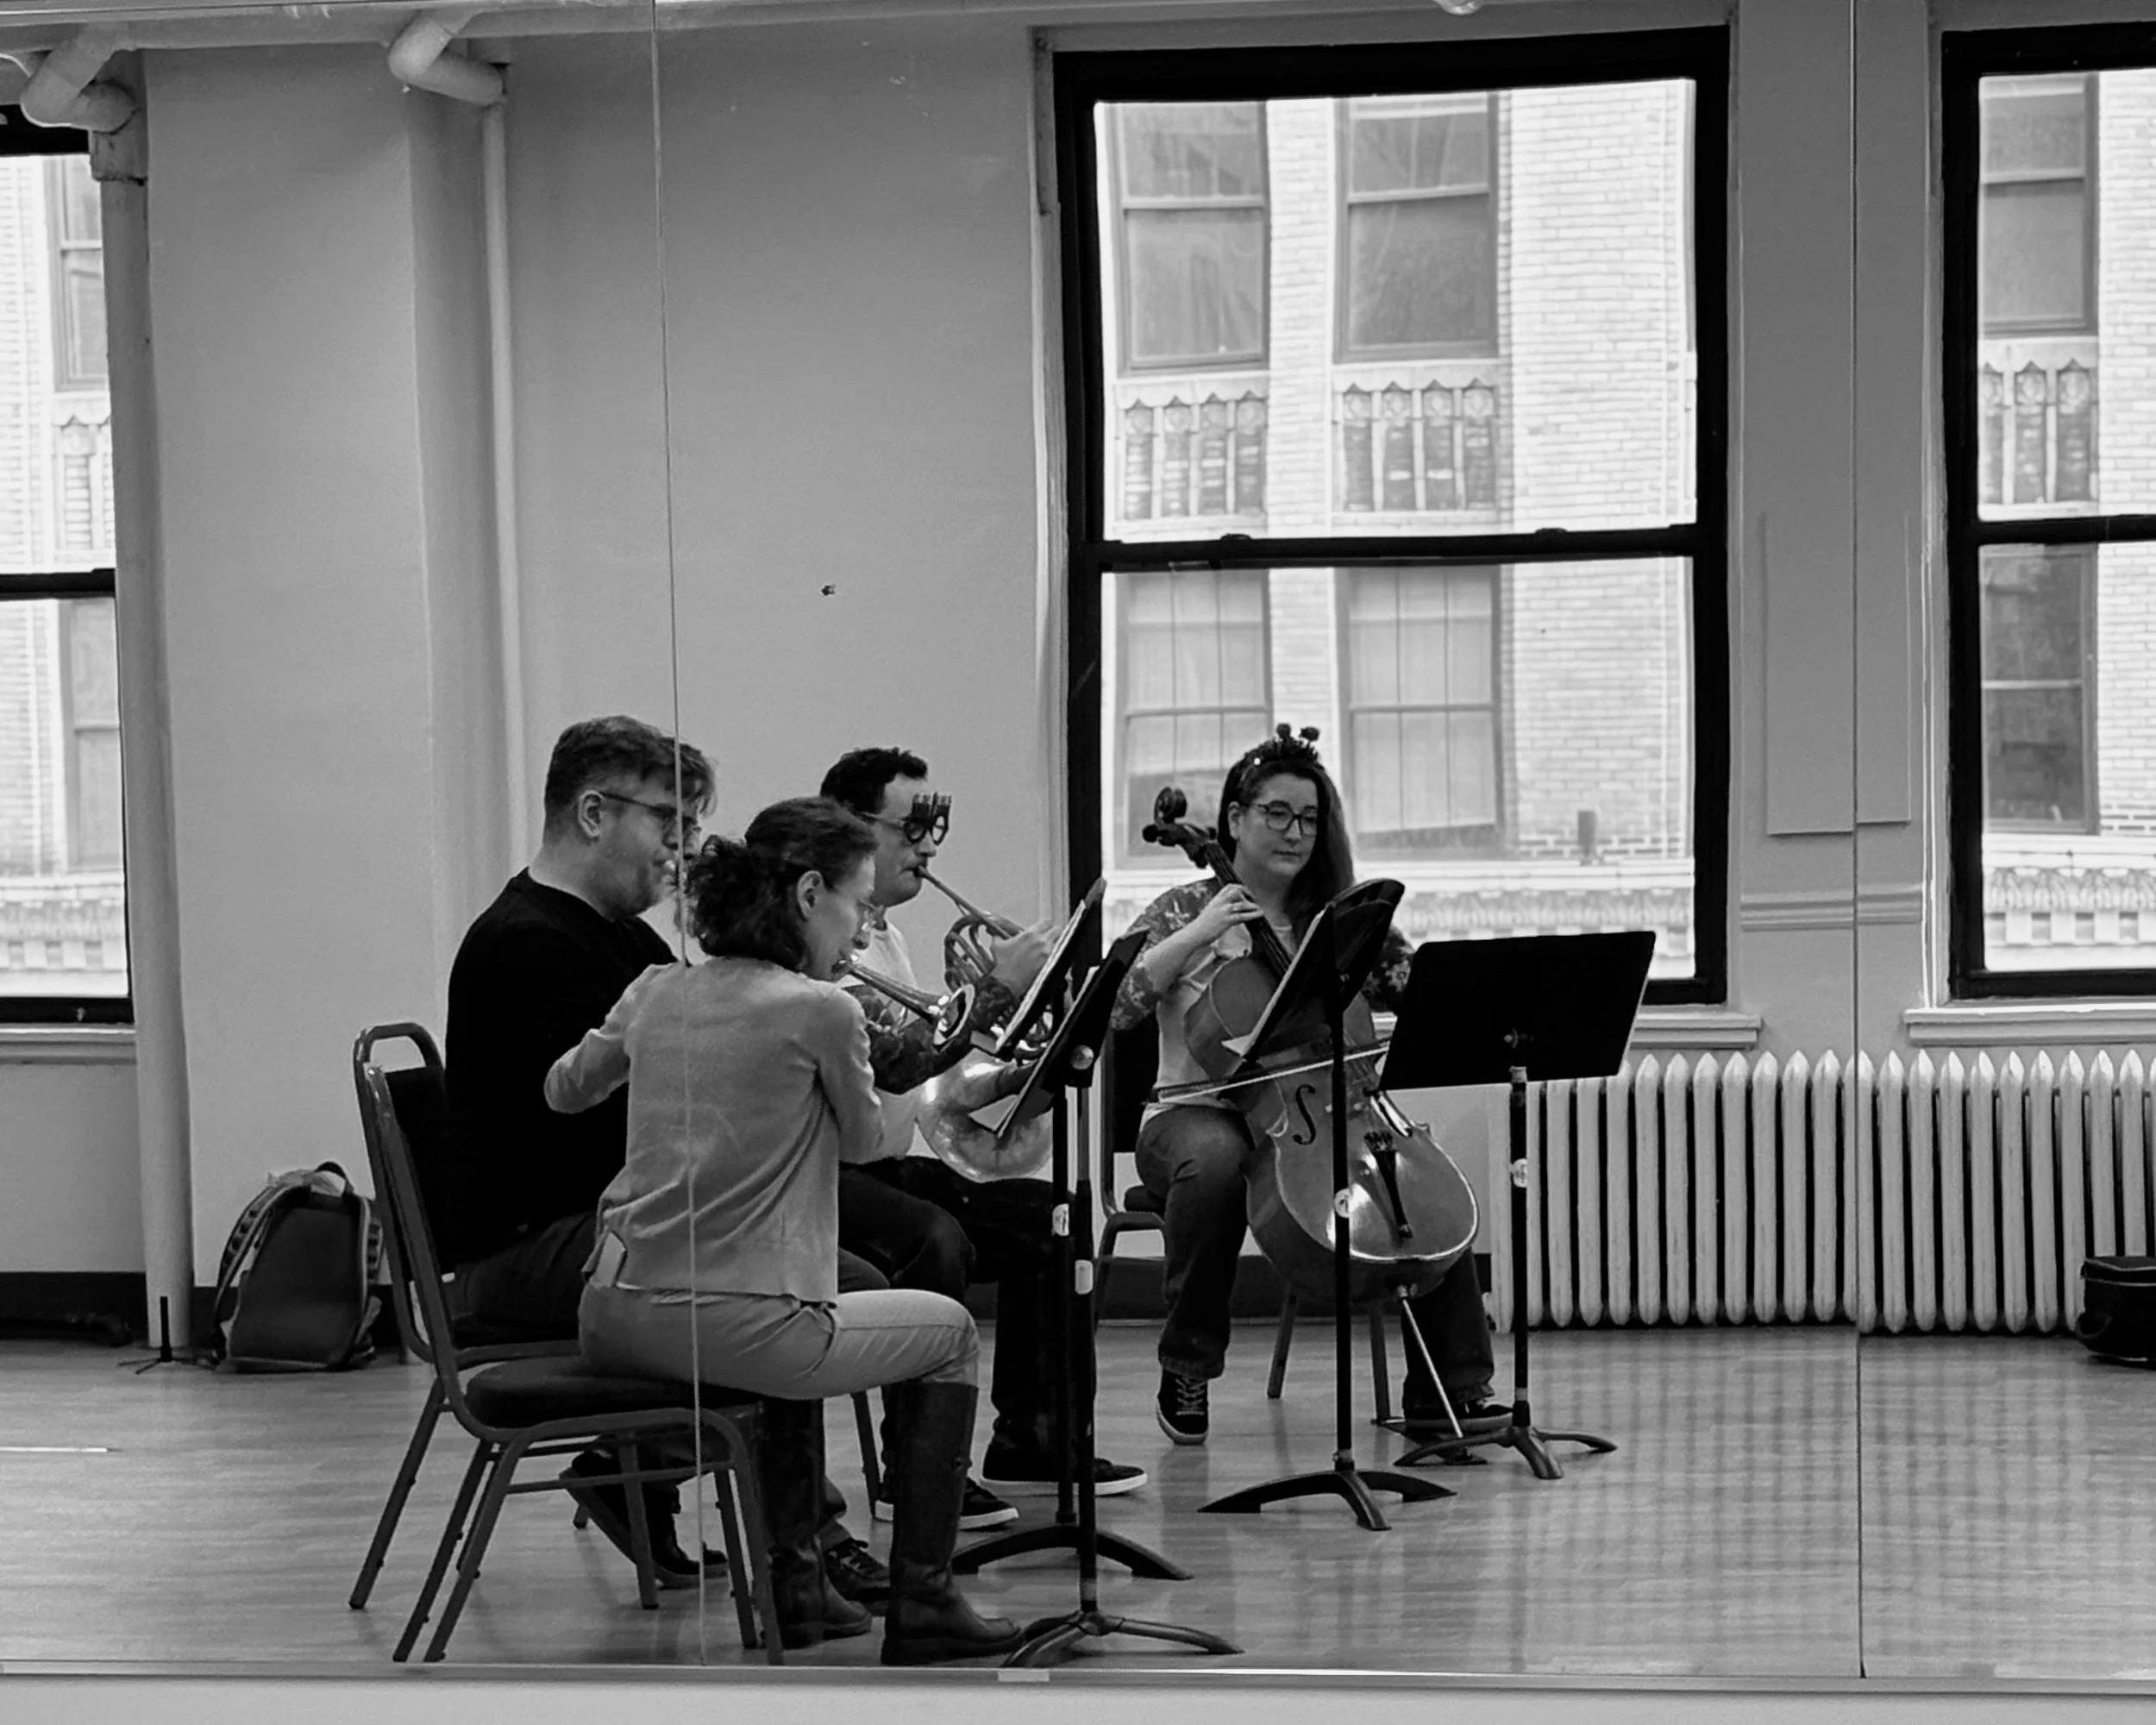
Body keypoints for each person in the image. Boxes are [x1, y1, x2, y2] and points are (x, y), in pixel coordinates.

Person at [554, 798, 1024, 1664]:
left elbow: (564, 1087)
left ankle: (799, 1582)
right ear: (810, 894)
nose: (858, 926)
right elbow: (865, 1142)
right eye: (855, 902)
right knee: (948, 1334)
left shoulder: (655, 987)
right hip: (729, 1322)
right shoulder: (822, 1010)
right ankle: (922, 1599)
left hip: (612, 1307)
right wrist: (908, 1082)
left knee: (823, 1288)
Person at [434, 715, 887, 1601]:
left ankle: (672, 1476)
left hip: (610, 1227)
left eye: (691, 829)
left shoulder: (623, 937)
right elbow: (613, 1126)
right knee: (815, 1282)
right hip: (526, 1248)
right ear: (594, 812)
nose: (683, 852)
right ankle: (809, 1546)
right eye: (668, 824)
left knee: (835, 1262)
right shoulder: (529, 942)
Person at [1109, 724, 1508, 1446]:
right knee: (1218, 1163)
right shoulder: (1180, 909)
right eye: (1277, 814)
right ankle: (1188, 1362)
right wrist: (1200, 932)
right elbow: (1118, 1004)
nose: (1295, 833)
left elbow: (1414, 986)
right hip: (1191, 1113)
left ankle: (1452, 1390)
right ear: (1234, 819)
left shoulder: (1338, 918)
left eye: (1309, 819)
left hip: (1318, 1110)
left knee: (1414, 1178)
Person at [820, 747, 1146, 1515]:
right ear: (853, 829)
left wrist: (1020, 1069)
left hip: (884, 1163)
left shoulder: (887, 932)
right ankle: (917, 1475)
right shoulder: (829, 941)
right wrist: (994, 990)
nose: (931, 845)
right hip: (819, 1177)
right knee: (935, 1239)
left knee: (1053, 1220)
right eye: (914, 825)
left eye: (937, 824)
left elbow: (926, 1075)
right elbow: (890, 1065)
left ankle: (1035, 1443)